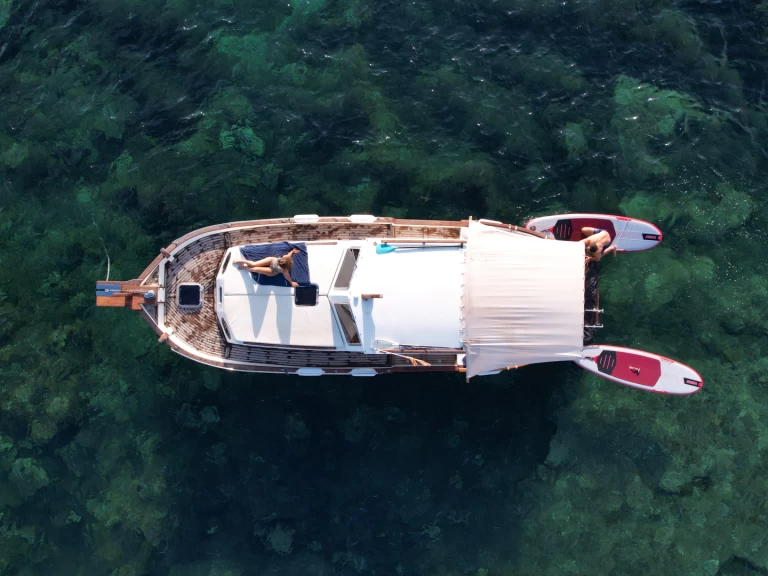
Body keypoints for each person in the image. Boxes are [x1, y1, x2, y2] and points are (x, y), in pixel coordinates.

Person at [233, 248, 301, 287]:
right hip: (272, 264)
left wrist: (292, 251)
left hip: (272, 268)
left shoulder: (285, 263)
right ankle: (242, 262)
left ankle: (244, 266)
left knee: (255, 268)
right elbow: (288, 276)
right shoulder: (285, 264)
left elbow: (288, 277)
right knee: (254, 265)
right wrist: (292, 251)